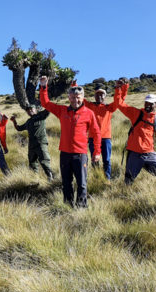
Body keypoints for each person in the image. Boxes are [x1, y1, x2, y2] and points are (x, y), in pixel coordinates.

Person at [38, 76, 101, 208]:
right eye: (73, 97)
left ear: (82, 98)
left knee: (82, 183)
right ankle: (67, 206)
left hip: (80, 154)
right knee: (66, 183)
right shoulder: (62, 111)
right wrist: (43, 86)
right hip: (65, 154)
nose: (75, 100)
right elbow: (45, 103)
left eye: (78, 97)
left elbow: (96, 133)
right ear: (69, 98)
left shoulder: (89, 113)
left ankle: (81, 209)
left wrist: (97, 152)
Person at [116, 91, 156, 184]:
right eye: (146, 102)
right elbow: (119, 104)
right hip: (134, 154)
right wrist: (120, 88)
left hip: (150, 154)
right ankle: (125, 195)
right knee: (128, 181)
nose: (147, 105)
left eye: (150, 103)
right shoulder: (136, 113)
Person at [81, 78, 128, 180]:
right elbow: (80, 99)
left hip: (106, 138)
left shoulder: (109, 108)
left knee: (106, 160)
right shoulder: (90, 106)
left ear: (105, 97)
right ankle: (96, 178)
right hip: (93, 138)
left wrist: (121, 88)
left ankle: (107, 179)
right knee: (94, 160)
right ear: (95, 96)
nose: (100, 96)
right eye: (97, 94)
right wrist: (74, 85)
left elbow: (118, 101)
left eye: (102, 94)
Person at [10, 105, 54, 180]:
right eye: (28, 110)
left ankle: (51, 178)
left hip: (41, 143)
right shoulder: (28, 121)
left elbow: (49, 109)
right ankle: (34, 180)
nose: (29, 111)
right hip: (31, 146)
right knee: (32, 163)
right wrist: (14, 121)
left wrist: (46, 102)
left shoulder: (40, 116)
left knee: (44, 161)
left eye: (31, 109)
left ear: (36, 109)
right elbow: (19, 128)